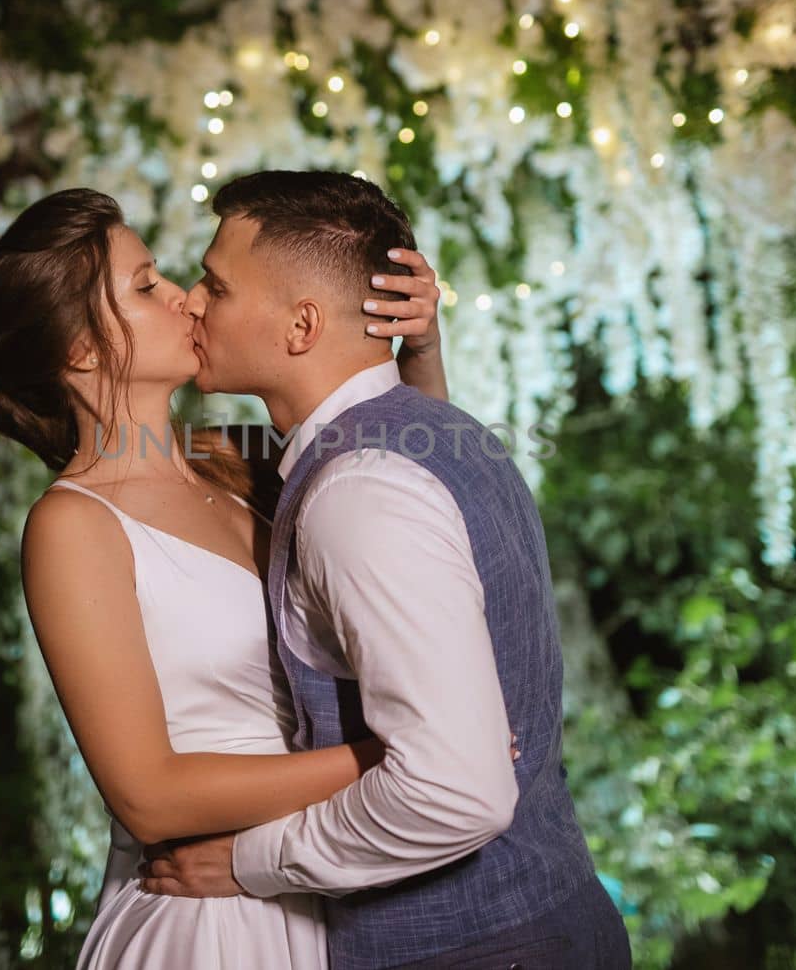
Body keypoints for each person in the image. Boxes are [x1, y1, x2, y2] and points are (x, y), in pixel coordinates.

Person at [138, 170, 632, 969]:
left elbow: (456, 791)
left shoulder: (359, 494)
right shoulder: (443, 432)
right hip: (546, 921)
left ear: (301, 326)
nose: (192, 301)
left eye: (216, 285)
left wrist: (245, 861)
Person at [0, 186, 456, 968]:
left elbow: (408, 492)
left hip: (329, 879)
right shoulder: (74, 527)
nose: (188, 300)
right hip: (206, 913)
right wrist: (395, 757)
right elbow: (147, 793)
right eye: (148, 285)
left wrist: (418, 347)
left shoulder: (239, 459)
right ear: (83, 351)